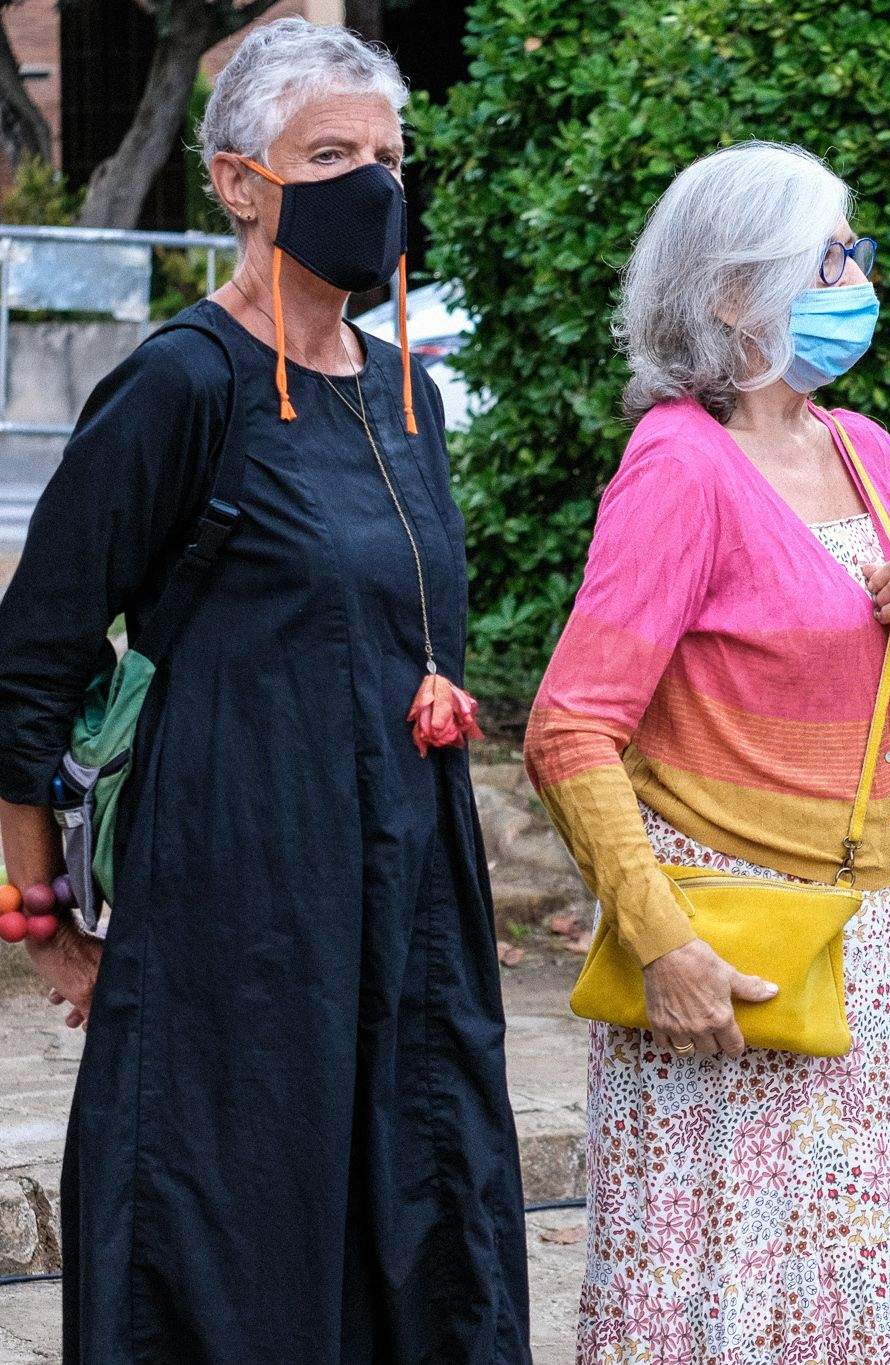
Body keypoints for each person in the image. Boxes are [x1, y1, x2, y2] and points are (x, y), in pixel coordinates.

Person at [0, 21, 530, 1359]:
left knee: (428, 1219)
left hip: (413, 906)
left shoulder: (410, 391)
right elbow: (31, 660)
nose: (372, 184)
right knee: (235, 1248)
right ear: (240, 182)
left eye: (388, 157)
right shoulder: (186, 383)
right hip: (239, 910)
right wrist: (40, 912)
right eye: (331, 154)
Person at [523, 142, 890, 1362]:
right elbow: (569, 729)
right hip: (722, 945)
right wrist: (659, 942)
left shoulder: (866, 452)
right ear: (733, 293)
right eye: (828, 255)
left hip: (863, 938)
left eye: (852, 251)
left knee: (844, 1273)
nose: (856, 274)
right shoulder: (680, 465)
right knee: (720, 1283)